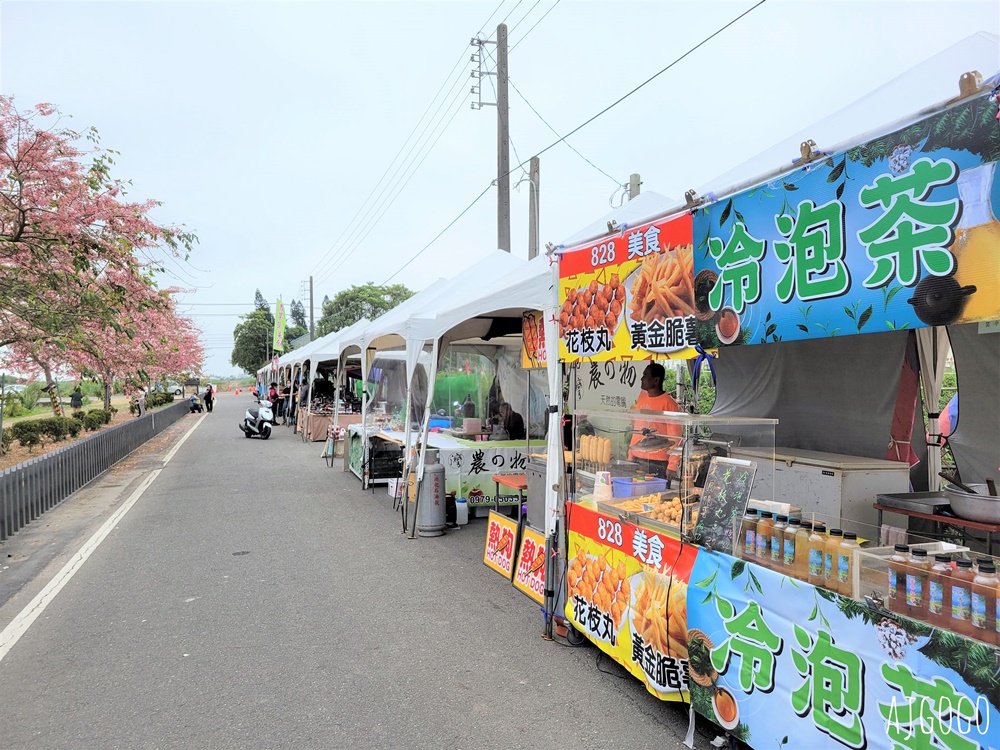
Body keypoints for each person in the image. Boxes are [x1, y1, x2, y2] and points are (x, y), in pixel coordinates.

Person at [628, 363, 681, 479]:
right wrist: (631, 453)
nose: (642, 378)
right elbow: (638, 428)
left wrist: (672, 465)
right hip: (637, 457)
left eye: (645, 375)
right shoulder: (642, 396)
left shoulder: (669, 404)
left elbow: (675, 438)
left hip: (657, 462)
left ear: (656, 380)